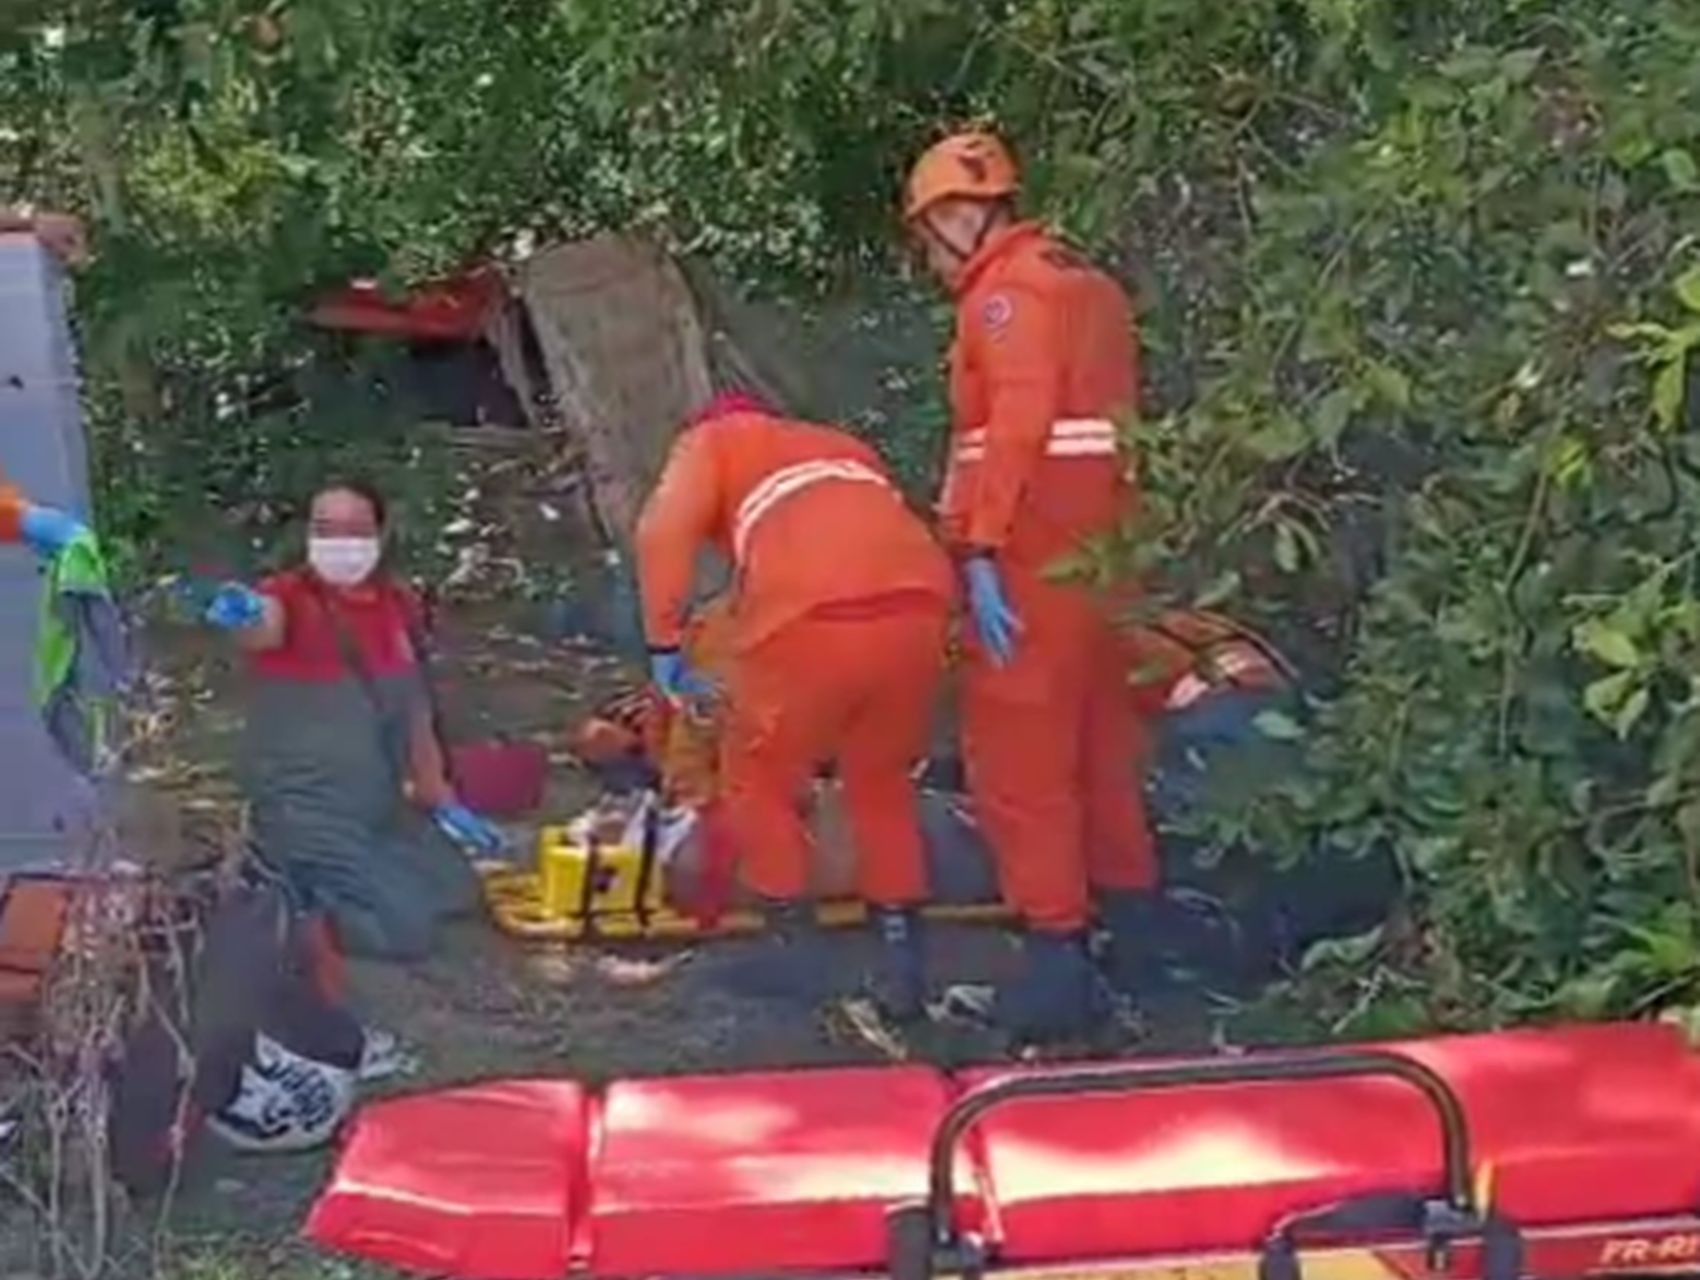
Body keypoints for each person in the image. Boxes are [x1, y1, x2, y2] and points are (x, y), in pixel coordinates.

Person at [903, 129, 1159, 1040]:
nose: (929, 259)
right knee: (1102, 747)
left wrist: (979, 549)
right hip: (1106, 559)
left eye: (928, 237)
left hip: (1029, 559)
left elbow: (1016, 424)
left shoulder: (1006, 297)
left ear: (960, 215)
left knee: (1020, 761)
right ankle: (1134, 945)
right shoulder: (1089, 286)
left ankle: (1057, 971)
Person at [635, 390, 955, 1018]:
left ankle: (791, 951)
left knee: (758, 773)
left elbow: (660, 532)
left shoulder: (715, 442)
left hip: (809, 611)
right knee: (882, 781)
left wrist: (662, 643)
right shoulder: (841, 449)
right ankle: (902, 963)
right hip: (921, 605)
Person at [202, 480, 500, 961]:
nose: (339, 543)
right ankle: (281, 905)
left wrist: (439, 794)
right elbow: (263, 629)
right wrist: (245, 615)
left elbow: (413, 705)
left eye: (355, 529)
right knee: (403, 931)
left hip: (377, 803)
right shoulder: (288, 595)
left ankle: (313, 884)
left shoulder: (398, 604)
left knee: (457, 893)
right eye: (325, 529)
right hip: (305, 807)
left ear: (381, 534)